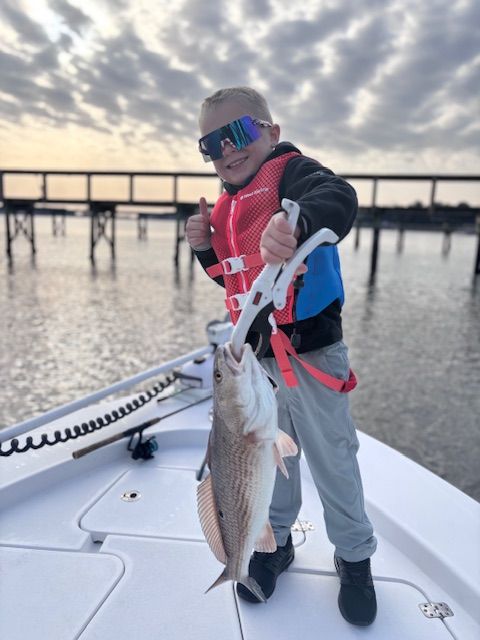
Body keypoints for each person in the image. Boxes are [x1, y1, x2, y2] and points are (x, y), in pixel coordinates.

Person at [186, 86, 377, 626]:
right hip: (258, 367)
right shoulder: (224, 208)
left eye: (239, 132)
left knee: (332, 461)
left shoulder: (295, 177)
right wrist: (205, 246)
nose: (227, 149)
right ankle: (274, 546)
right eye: (211, 143)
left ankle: (355, 558)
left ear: (270, 132)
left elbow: (339, 198)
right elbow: (234, 275)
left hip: (313, 353)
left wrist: (294, 222)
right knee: (270, 459)